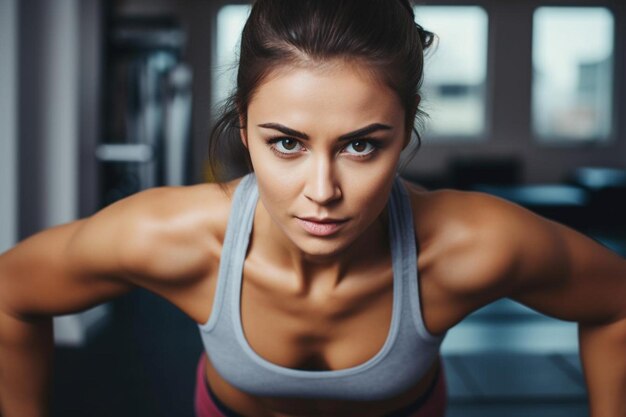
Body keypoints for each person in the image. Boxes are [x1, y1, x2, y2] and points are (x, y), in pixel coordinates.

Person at [1, 0, 625, 416]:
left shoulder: (470, 245)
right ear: (243, 131)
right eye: (287, 143)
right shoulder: (175, 237)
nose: (321, 190)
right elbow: (11, 293)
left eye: (360, 145)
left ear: (404, 134)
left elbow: (616, 302)